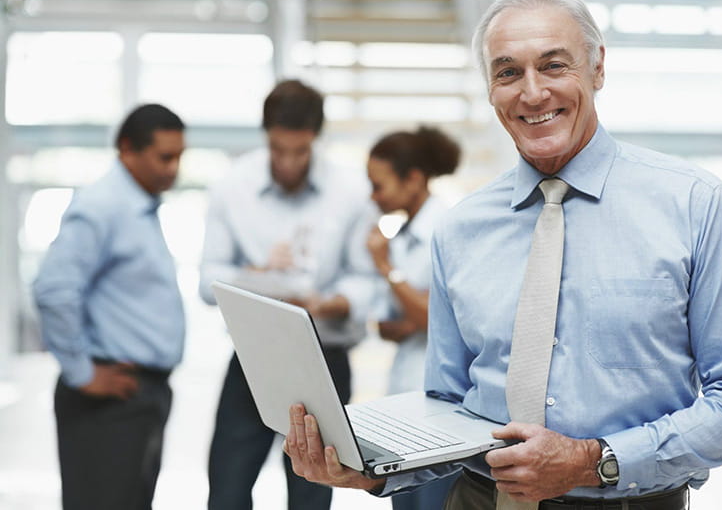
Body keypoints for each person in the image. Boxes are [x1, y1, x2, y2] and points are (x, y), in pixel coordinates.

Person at [283, 0, 722, 510]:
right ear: (490, 89)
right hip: (477, 499)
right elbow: (448, 406)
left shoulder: (694, 205)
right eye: (508, 72)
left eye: (555, 65)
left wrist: (594, 459)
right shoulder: (462, 228)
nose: (533, 92)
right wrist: (373, 468)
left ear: (598, 67)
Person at [199, 79, 375, 510]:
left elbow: (366, 280)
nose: (290, 163)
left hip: (325, 358)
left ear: (315, 139)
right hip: (253, 360)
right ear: (266, 136)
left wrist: (327, 303)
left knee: (312, 496)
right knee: (227, 489)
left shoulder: (351, 192)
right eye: (279, 150)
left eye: (300, 151)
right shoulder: (231, 188)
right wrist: (256, 277)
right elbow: (208, 282)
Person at [33, 104, 186, 510]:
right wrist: (82, 373)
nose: (174, 168)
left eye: (179, 156)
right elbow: (53, 289)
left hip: (139, 394)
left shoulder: (139, 207)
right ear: (127, 150)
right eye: (164, 157)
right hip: (109, 398)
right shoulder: (104, 205)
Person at [365, 126, 461, 510]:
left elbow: (430, 320)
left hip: (442, 410)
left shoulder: (449, 229)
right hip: (404, 398)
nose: (373, 197)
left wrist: (386, 267)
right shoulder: (401, 236)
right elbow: (389, 325)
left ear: (414, 179)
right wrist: (416, 310)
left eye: (379, 185)